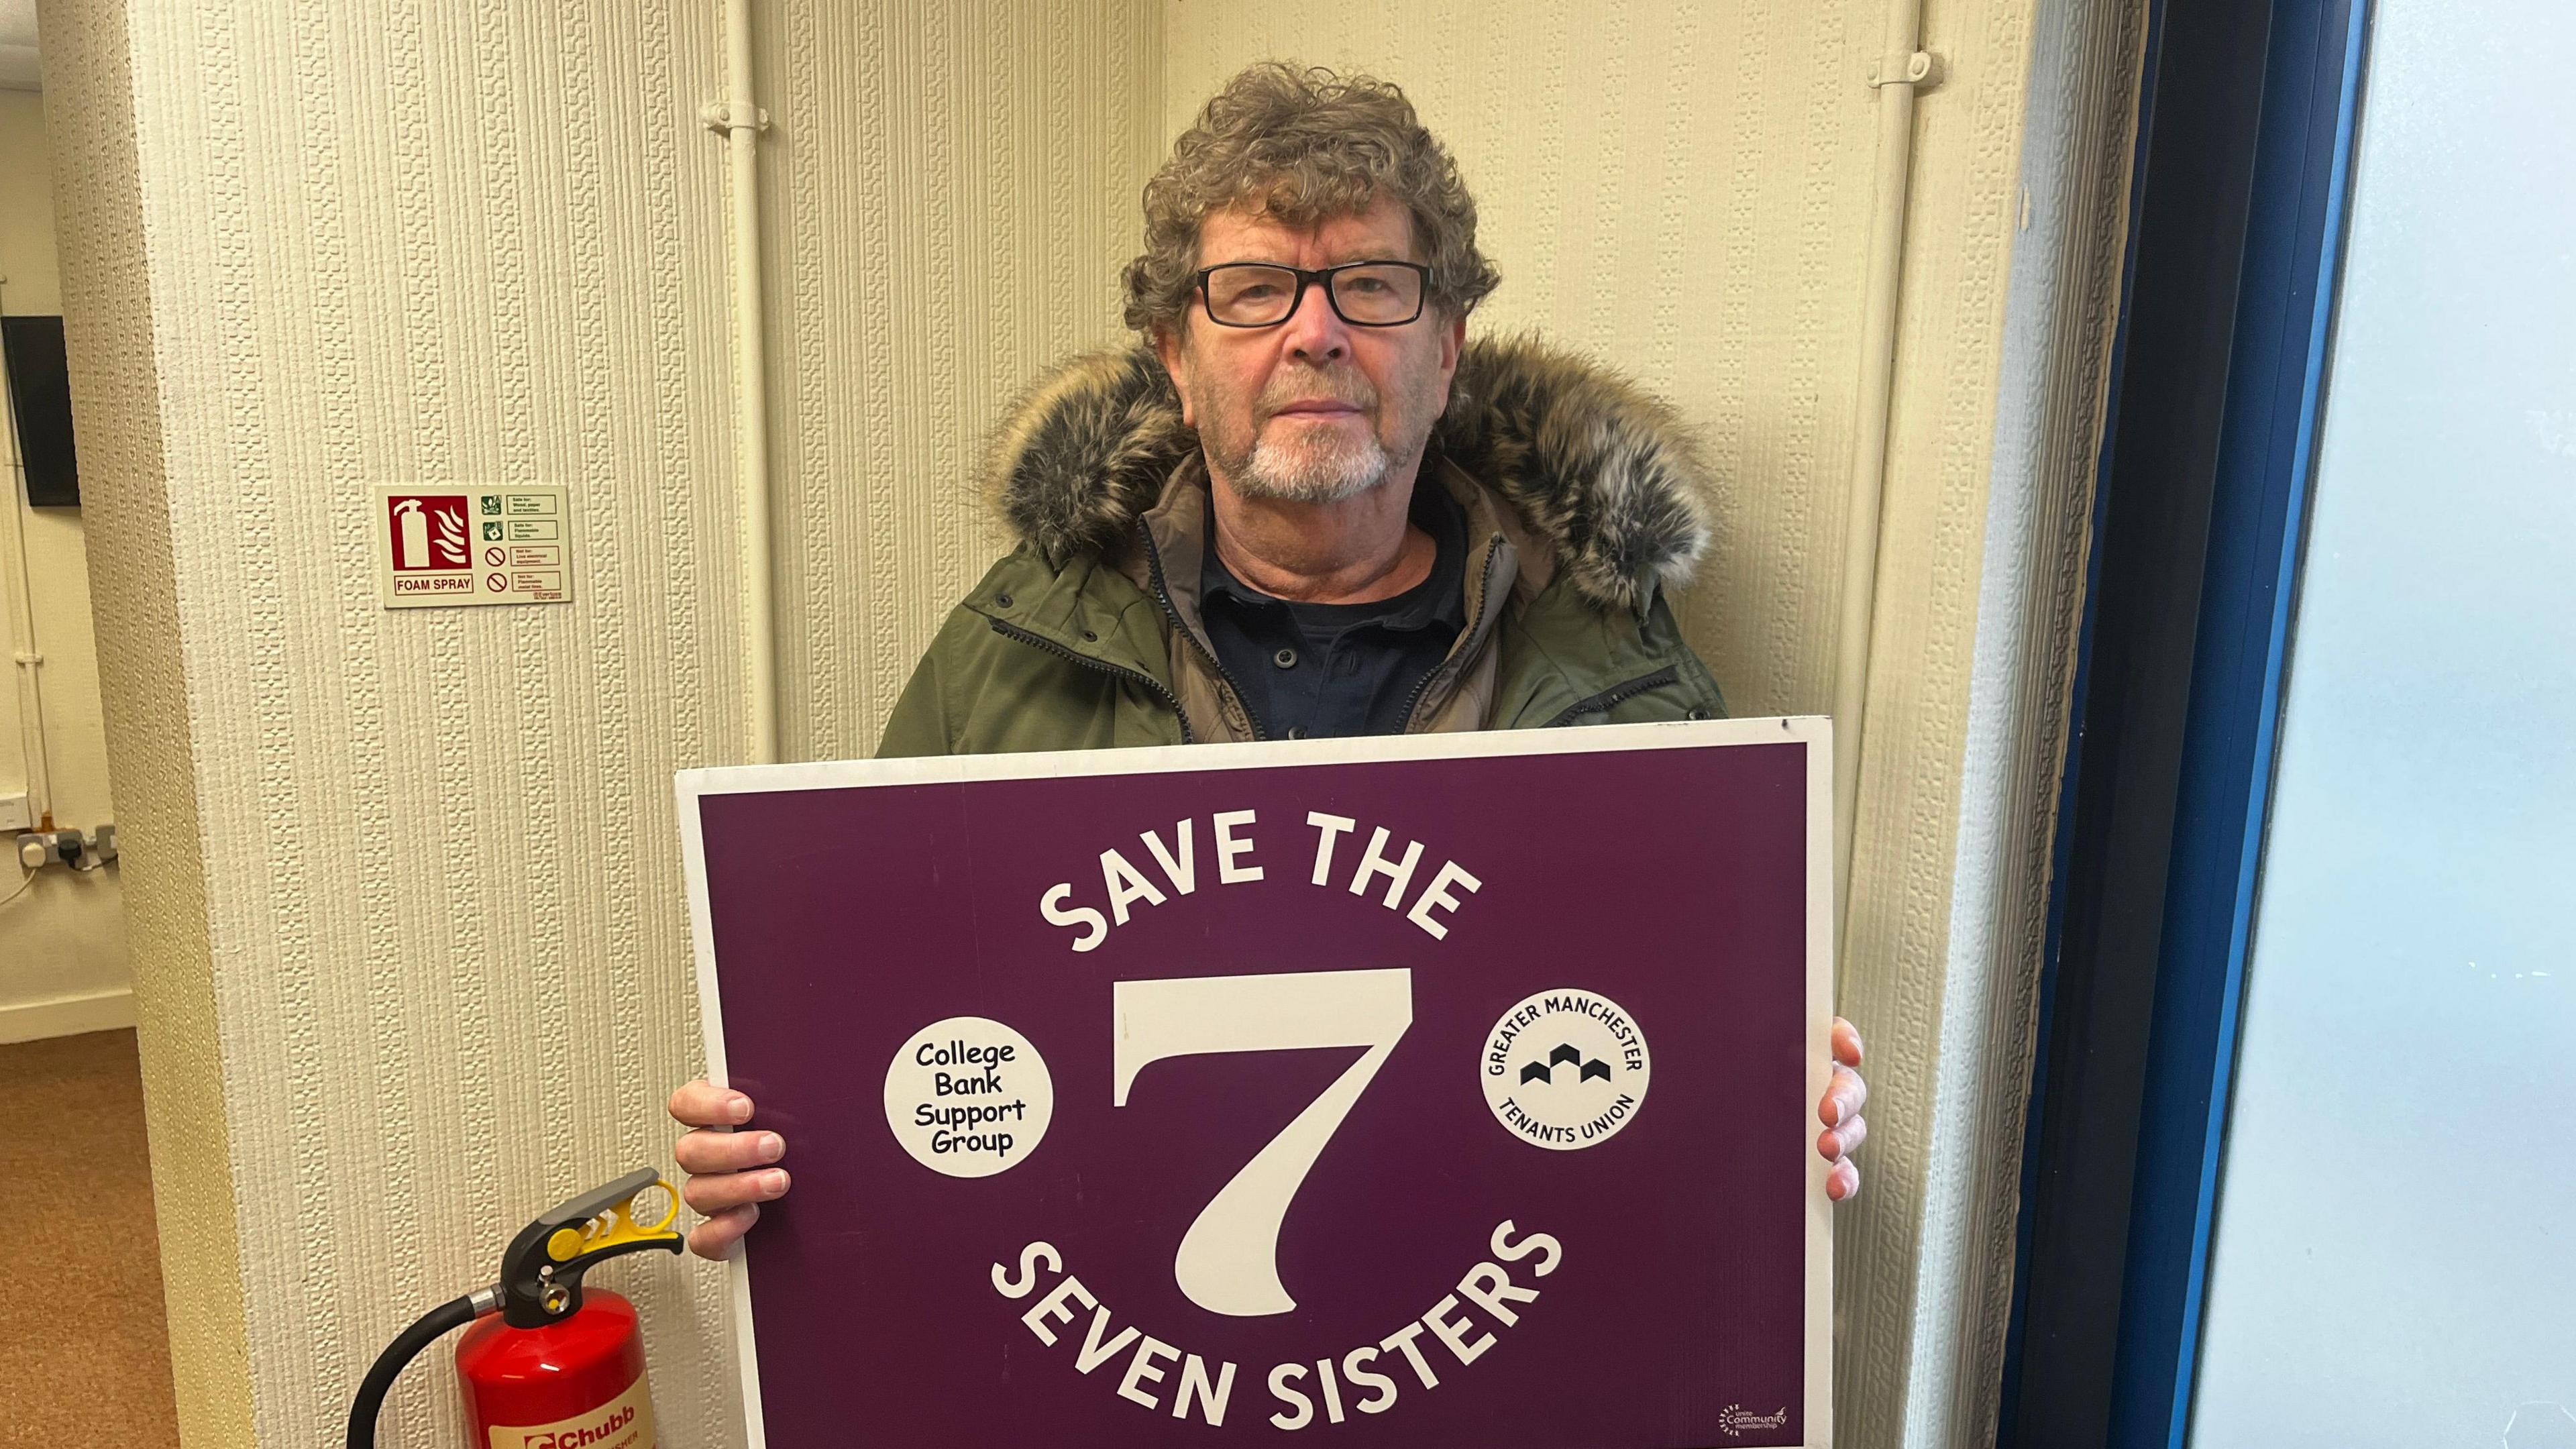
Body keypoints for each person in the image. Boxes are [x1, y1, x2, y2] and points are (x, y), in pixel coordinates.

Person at [667, 62, 1870, 1259]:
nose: (1316, 334)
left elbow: (1683, 1050)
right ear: (1178, 361)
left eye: (1372, 287)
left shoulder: (1619, 666)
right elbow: (888, 1030)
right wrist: (784, 1156)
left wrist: (1772, 1109)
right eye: (1253, 292)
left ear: (1445, 351)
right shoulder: (1015, 647)